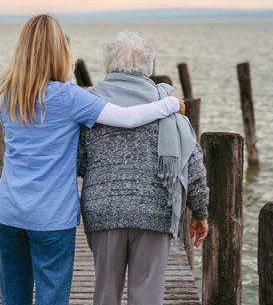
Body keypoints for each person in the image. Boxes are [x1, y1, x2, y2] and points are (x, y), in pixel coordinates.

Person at [0, 15, 185, 305]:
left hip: (7, 213)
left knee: (13, 299)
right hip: (50, 218)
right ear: (60, 52)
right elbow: (128, 118)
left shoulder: (6, 95)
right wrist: (170, 103)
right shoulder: (68, 97)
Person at [77, 31, 209, 305]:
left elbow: (78, 162)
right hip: (154, 212)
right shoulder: (169, 108)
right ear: (148, 66)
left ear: (108, 64)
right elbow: (192, 166)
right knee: (147, 298)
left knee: (105, 296)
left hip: (103, 211)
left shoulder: (89, 106)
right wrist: (200, 212)